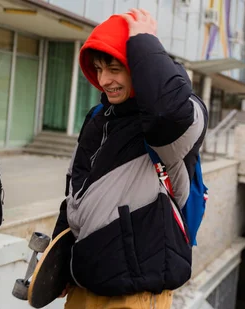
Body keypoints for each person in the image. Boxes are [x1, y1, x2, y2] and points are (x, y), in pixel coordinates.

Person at [51, 9, 208, 309]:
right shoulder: (97, 117)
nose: (104, 79)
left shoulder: (175, 120)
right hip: (85, 284)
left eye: (115, 68)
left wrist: (143, 42)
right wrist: (61, 263)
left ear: (137, 65)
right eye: (98, 69)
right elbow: (75, 193)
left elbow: (166, 112)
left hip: (134, 295)